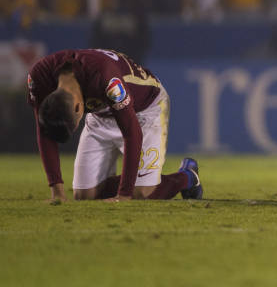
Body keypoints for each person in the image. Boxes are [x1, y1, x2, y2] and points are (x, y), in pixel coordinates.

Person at [27, 49, 201, 203]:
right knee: (84, 196)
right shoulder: (39, 77)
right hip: (101, 114)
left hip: (143, 110)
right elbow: (44, 130)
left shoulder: (106, 78)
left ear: (80, 106)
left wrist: (124, 194)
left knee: (140, 192)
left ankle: (187, 176)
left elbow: (132, 133)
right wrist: (57, 192)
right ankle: (138, 181)